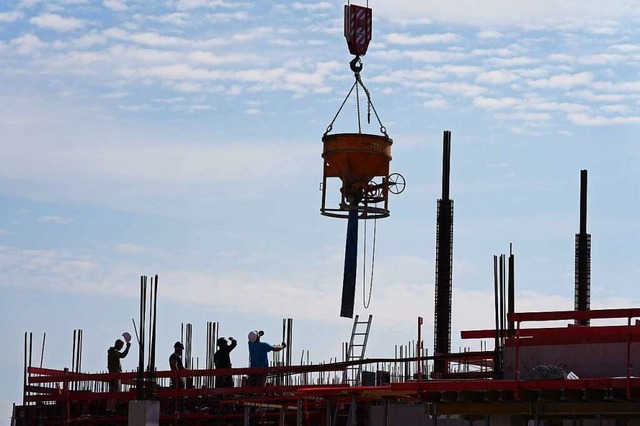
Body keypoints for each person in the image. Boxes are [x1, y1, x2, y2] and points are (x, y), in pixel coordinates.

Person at [106, 338, 131, 413]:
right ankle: (110, 409)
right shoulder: (113, 352)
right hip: (114, 374)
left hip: (115, 374)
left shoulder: (113, 352)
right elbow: (122, 355)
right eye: (121, 346)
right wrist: (127, 348)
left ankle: (111, 409)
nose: (121, 348)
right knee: (113, 392)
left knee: (115, 392)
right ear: (117, 344)